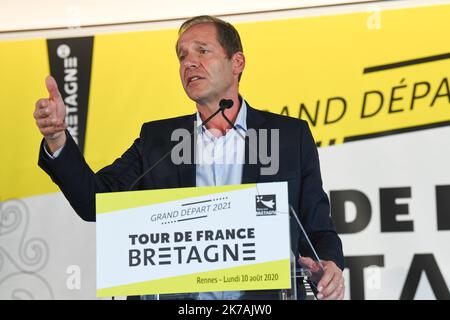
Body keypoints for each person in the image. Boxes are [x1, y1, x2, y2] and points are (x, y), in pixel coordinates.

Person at [34, 15, 345, 300]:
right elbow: (95, 202)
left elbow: (317, 227)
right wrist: (57, 138)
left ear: (237, 62)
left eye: (202, 51)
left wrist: (329, 264)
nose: (189, 63)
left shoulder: (289, 137)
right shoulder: (158, 141)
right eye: (182, 56)